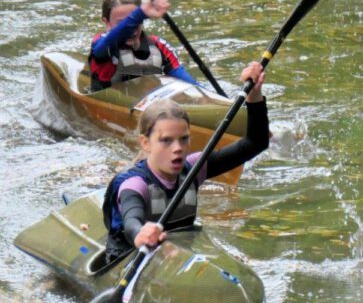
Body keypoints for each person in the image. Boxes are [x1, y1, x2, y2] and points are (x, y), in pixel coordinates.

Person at [102, 62, 269, 262]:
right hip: (130, 256)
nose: (177, 148)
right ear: (145, 143)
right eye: (166, 140)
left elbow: (256, 143)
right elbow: (131, 219)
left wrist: (254, 95)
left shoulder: (194, 168)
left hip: (176, 253)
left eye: (184, 139)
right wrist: (140, 233)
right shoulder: (135, 184)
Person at [89, 0, 199, 92]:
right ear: (106, 22)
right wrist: (140, 14)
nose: (131, 29)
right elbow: (114, 38)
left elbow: (189, 84)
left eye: (136, 22)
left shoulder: (159, 46)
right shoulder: (100, 45)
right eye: (122, 23)